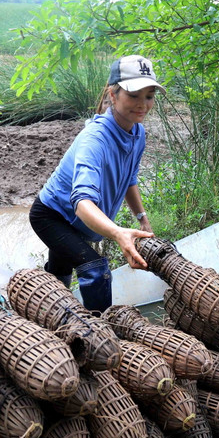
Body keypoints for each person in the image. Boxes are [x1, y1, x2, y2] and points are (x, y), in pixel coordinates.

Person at [28, 54, 163, 312]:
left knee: (59, 276)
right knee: (96, 270)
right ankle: (101, 334)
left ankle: (48, 314)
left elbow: (129, 179)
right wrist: (117, 232)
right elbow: (81, 203)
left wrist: (141, 217)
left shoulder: (137, 132)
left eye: (149, 96)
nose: (142, 104)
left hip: (78, 222)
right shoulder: (96, 139)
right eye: (133, 95)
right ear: (112, 95)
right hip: (52, 215)